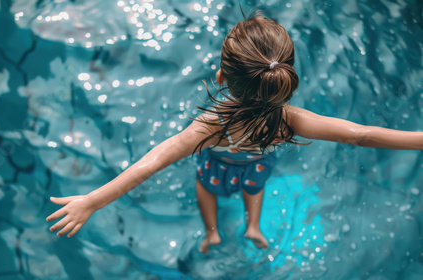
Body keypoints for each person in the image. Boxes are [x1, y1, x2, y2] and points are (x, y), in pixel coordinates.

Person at [46, 12, 423, 254]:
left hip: (216, 164)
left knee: (205, 188)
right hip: (257, 167)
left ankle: (211, 233)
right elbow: (362, 135)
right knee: (253, 188)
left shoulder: (210, 125)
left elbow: (151, 163)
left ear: (222, 76)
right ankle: (254, 227)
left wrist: (93, 200)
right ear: (285, 78)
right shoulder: (292, 120)